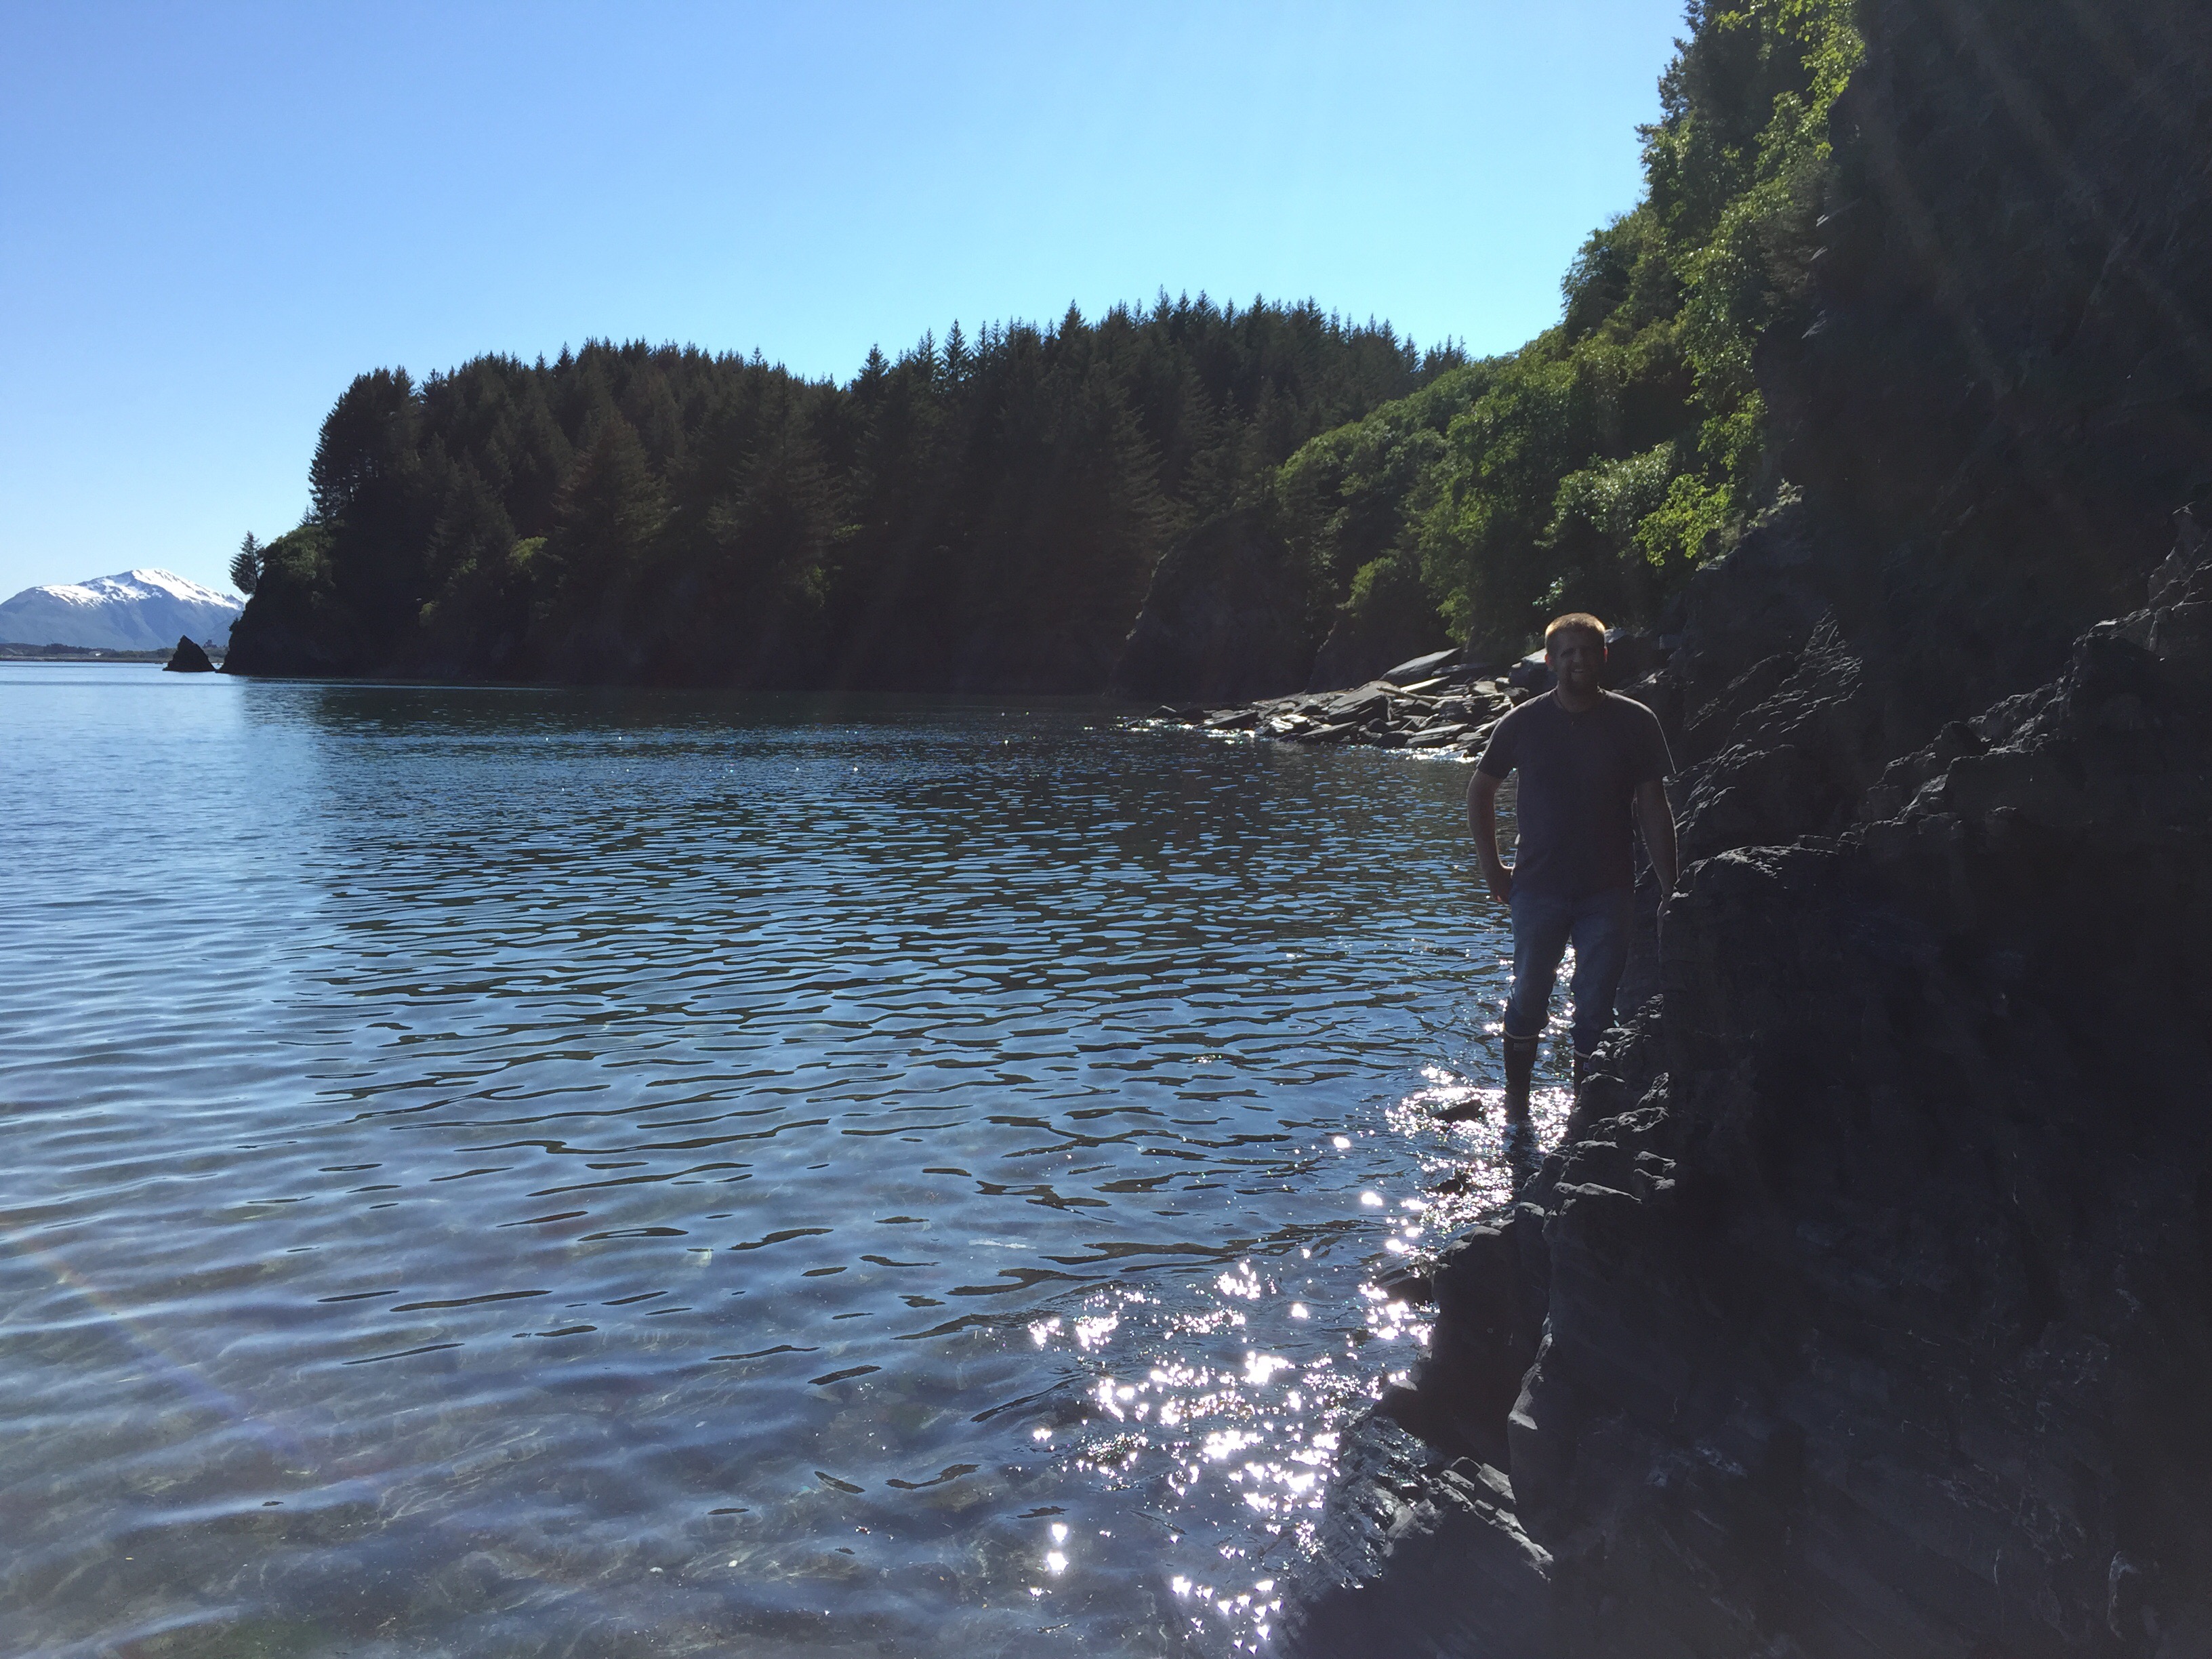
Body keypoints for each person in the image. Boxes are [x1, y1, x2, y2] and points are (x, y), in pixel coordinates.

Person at [1466, 613, 1677, 1120]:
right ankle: (1517, 1107)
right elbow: (1480, 791)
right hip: (1537, 888)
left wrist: (1672, 887)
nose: (1578, 659)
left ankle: (1585, 1118)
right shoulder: (1522, 723)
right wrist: (1493, 869)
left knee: (1596, 1007)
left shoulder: (1635, 721)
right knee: (1528, 996)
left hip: (1609, 890)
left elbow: (1653, 806)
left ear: (1604, 656)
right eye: (1567, 652)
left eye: (1587, 650)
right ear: (1549, 661)